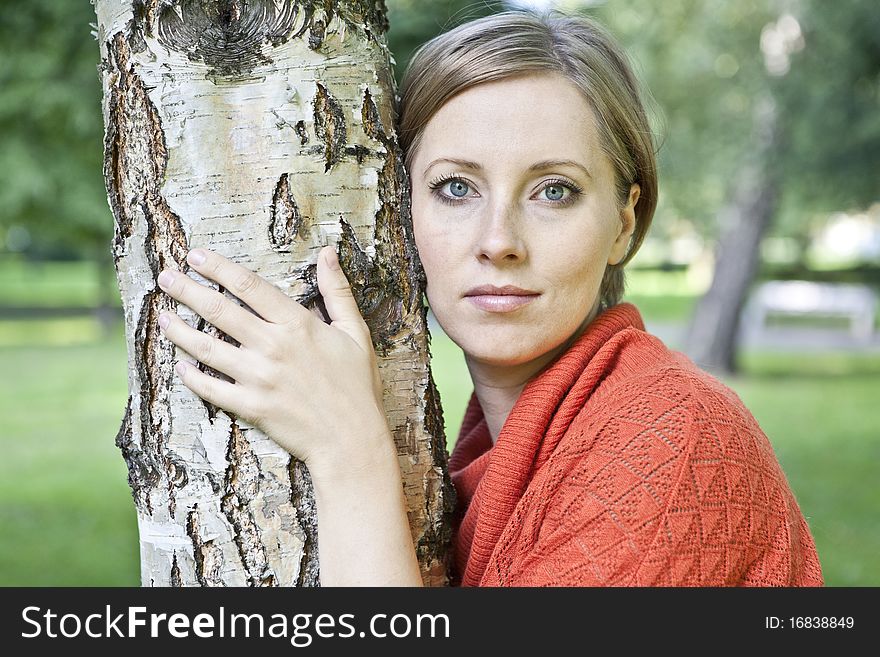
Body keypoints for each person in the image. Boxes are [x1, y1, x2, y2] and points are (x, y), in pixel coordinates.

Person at [154, 9, 823, 586]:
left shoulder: (672, 437)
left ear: (623, 223)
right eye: (456, 188)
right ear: (397, 215)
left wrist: (347, 454)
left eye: (554, 190)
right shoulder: (485, 466)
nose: (499, 240)